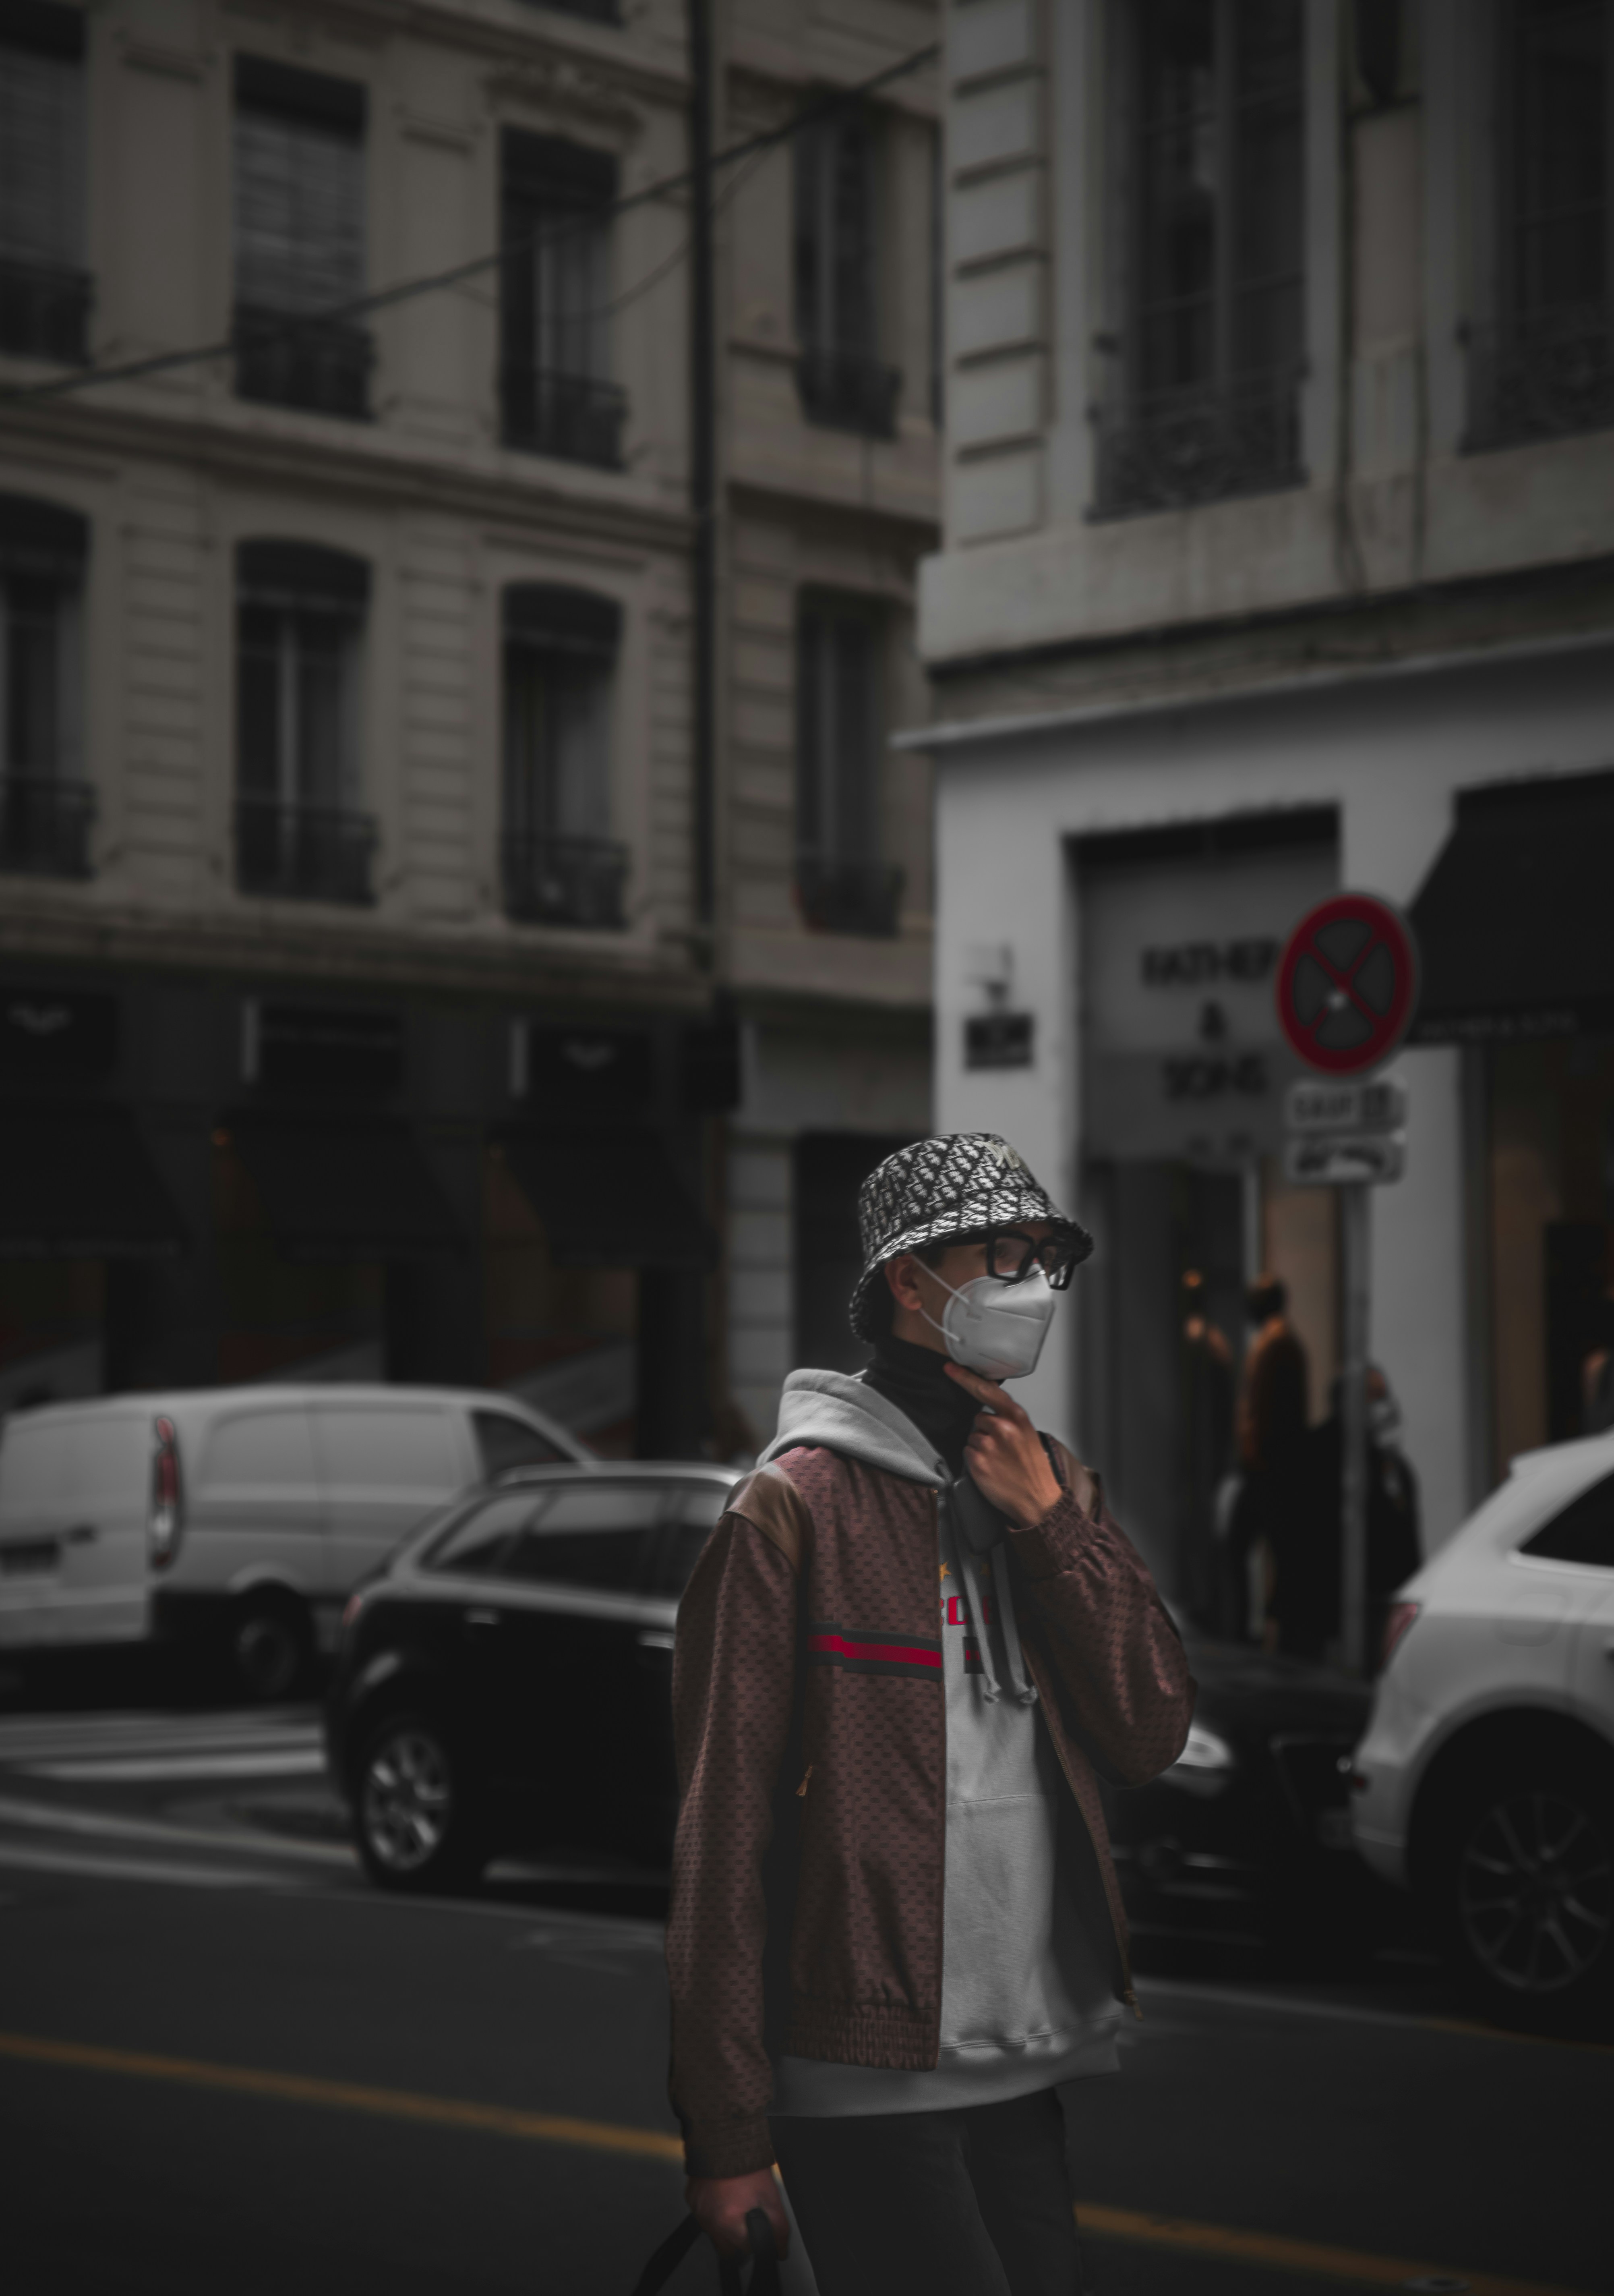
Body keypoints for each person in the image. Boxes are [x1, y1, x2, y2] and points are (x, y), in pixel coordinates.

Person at [667, 1132, 1196, 2295]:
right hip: (859, 2068)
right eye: (998, 1253)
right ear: (910, 1282)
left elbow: (1150, 1729)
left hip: (1025, 2059)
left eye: (1041, 1259)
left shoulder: (1049, 1481)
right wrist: (726, 2132)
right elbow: (720, 1843)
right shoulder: (791, 1510)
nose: (1029, 1286)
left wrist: (1052, 1525)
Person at [1274, 1366, 1422, 1663]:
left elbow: (1405, 1542)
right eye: (1373, 1397)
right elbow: (1296, 1540)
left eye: (1384, 1396)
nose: (1382, 1407)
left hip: (1376, 1608)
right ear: (1347, 1404)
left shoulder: (1390, 1465)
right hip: (1321, 1615)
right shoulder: (1311, 1457)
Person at [1224, 1274, 1309, 1643]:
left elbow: (1271, 1411)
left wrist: (1257, 1456)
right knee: (1270, 1548)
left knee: (1252, 1547)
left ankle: (1250, 1628)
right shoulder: (1276, 1341)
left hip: (1270, 1468)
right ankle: (1261, 1625)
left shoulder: (1279, 1344)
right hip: (1268, 1466)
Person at [1178, 1269, 1233, 1629]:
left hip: (1204, 1445)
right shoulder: (1213, 1339)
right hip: (1203, 1443)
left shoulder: (1202, 1337)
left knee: (1204, 1524)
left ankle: (1207, 1602)